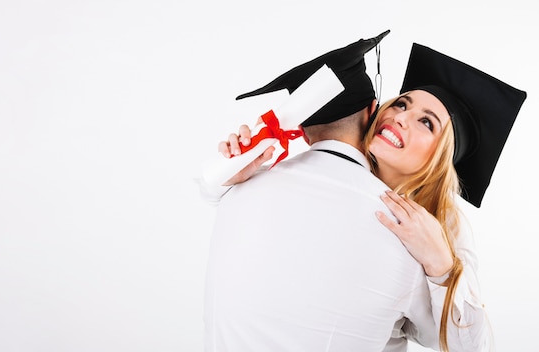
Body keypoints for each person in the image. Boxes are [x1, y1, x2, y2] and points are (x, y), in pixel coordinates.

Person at [205, 42, 527, 352]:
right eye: (402, 104)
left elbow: (465, 344)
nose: (400, 117)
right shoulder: (334, 183)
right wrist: (224, 180)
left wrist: (440, 263)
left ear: (440, 160)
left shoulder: (445, 229)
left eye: (426, 122)